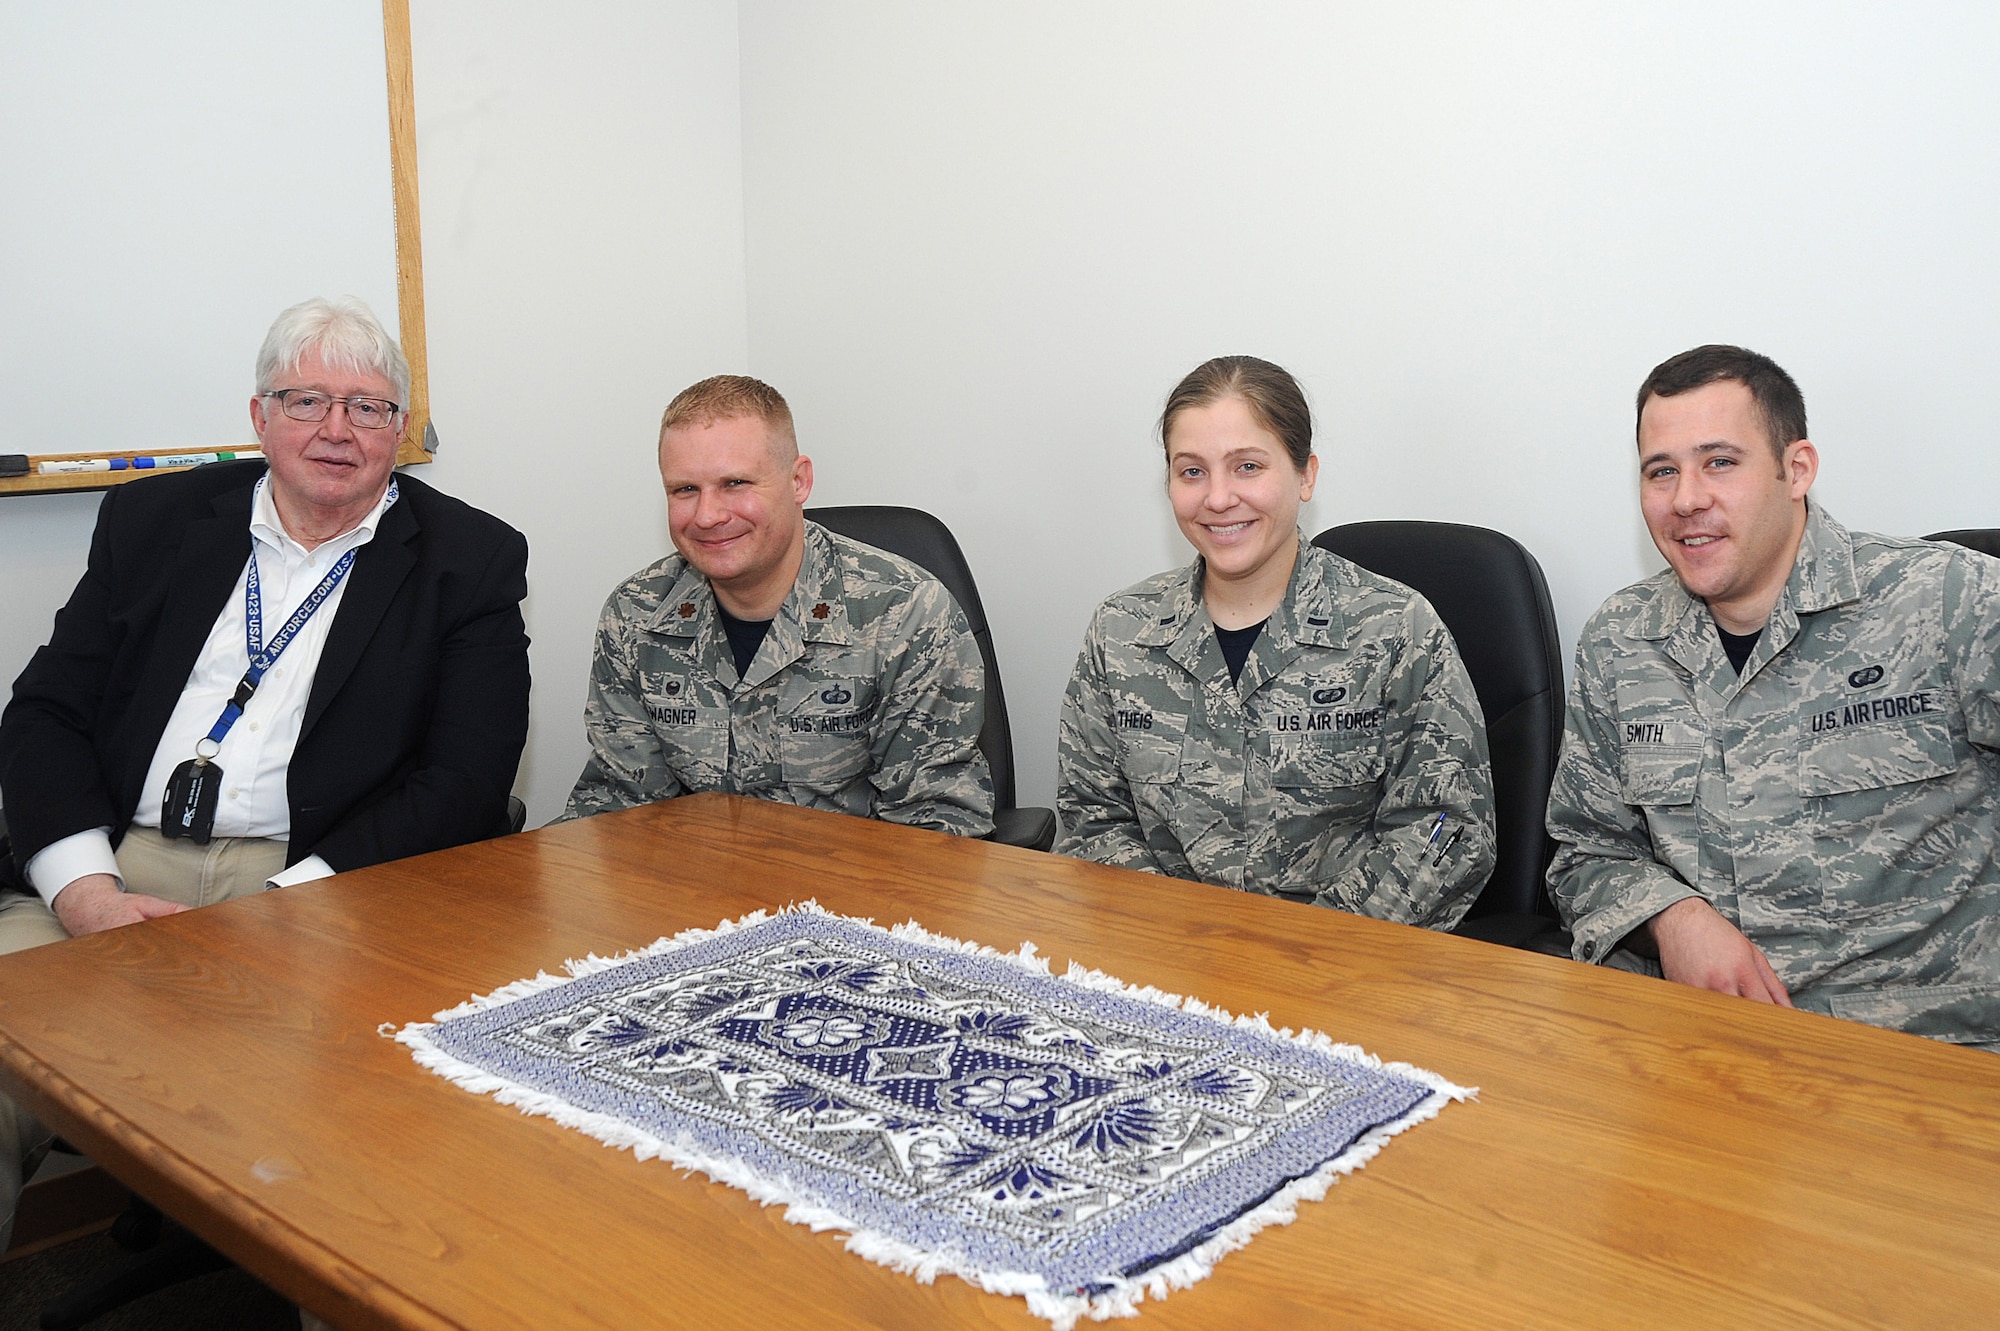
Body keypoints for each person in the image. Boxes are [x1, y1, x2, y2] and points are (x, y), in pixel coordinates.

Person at [0, 296, 531, 1248]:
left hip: (326, 888)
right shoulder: (150, 522)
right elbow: (45, 715)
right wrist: (85, 895)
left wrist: (291, 906)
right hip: (119, 865)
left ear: (399, 432)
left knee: (367, 1143)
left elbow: (465, 779)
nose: (336, 429)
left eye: (367, 407)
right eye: (305, 401)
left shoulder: (471, 558)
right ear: (257, 417)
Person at [1546, 344, 2000, 1051]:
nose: (1687, 497)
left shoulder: (1950, 601)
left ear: (1797, 470)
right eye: (1661, 471)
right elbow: (1585, 850)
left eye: (1719, 461)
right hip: (1705, 1047)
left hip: (1924, 1053)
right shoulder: (1621, 640)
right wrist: (1674, 919)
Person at [1056, 356, 1494, 927]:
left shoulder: (1396, 630)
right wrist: (1179, 936)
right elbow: (1092, 821)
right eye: (1191, 471)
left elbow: (1445, 830)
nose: (1217, 498)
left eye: (1247, 467)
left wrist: (1304, 947)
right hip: (1164, 962)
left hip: (1346, 968)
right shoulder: (1120, 633)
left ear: (1305, 475)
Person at [561, 375, 993, 836]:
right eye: (685, 489)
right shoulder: (636, 614)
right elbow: (619, 807)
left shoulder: (905, 613)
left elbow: (937, 826)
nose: (707, 515)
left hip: (852, 895)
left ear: (799, 481)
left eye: (735, 483)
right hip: (689, 893)